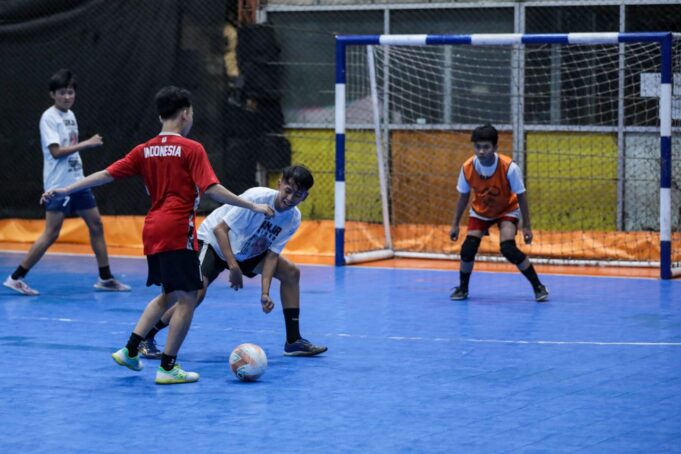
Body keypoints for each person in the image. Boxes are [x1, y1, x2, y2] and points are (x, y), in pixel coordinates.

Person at [41, 86, 274, 384]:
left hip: (152, 229)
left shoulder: (144, 149)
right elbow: (212, 189)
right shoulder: (191, 149)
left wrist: (66, 189)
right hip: (177, 229)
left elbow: (106, 174)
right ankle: (168, 367)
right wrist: (252, 205)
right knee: (188, 298)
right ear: (185, 113)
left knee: (169, 295)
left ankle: (130, 351)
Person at [138, 165, 327, 360]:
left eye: (297, 195)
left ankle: (293, 341)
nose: (290, 198)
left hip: (246, 250)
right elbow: (220, 229)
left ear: (304, 197)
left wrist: (265, 293)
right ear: (279, 184)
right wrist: (233, 267)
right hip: (213, 242)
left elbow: (271, 256)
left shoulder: (293, 218)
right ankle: (147, 336)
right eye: (288, 190)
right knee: (195, 294)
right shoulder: (257, 198)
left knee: (291, 272)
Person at [3, 69, 129, 296]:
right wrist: (87, 143)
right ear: (52, 94)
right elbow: (56, 152)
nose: (67, 97)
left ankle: (105, 278)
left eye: (70, 92)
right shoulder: (49, 117)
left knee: (96, 225)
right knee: (51, 233)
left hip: (77, 182)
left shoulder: (70, 115)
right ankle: (16, 277)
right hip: (59, 184)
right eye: (62, 93)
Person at [449, 124, 549, 303]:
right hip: (481, 211)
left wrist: (526, 226)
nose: (481, 151)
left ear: (495, 147)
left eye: (486, 147)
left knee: (508, 248)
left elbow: (521, 196)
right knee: (468, 249)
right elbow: (463, 197)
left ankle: (538, 286)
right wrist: (455, 224)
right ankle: (463, 288)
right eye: (477, 147)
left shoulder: (509, 167)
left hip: (506, 210)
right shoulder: (467, 168)